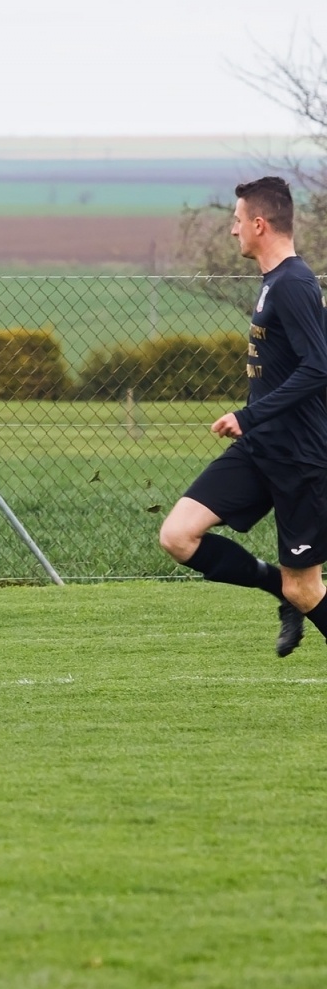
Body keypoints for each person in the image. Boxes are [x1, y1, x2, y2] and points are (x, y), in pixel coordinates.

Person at [158, 176, 327, 656]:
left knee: (307, 589)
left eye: (237, 222)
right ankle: (278, 588)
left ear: (259, 223)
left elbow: (319, 368)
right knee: (177, 536)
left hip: (299, 458)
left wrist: (250, 416)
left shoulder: (293, 282)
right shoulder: (275, 282)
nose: (233, 231)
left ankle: (290, 592)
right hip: (260, 449)